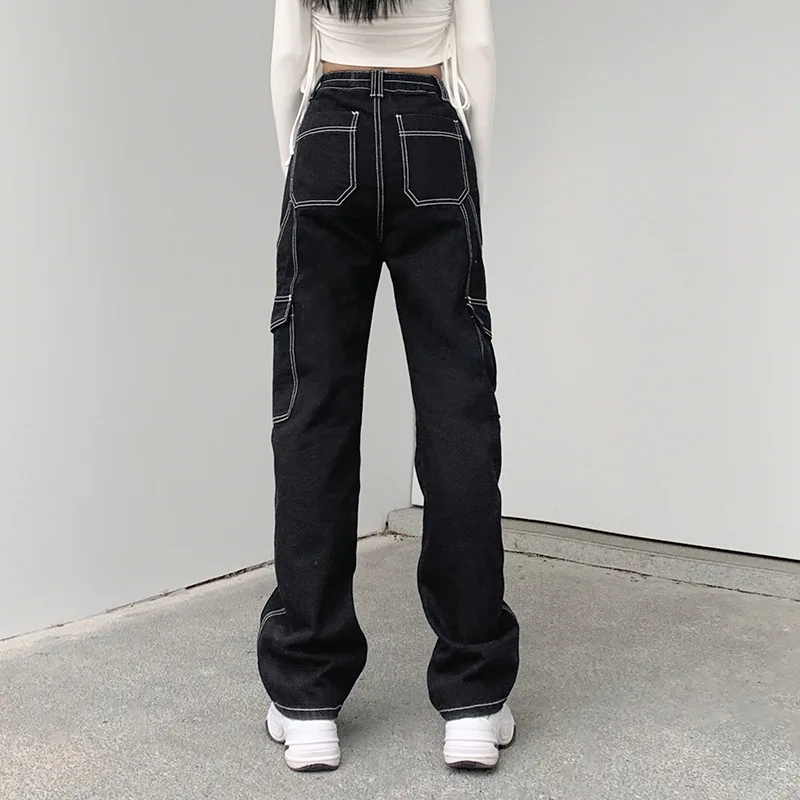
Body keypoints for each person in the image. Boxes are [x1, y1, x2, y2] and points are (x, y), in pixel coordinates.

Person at [257, 0, 519, 772]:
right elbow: (476, 46)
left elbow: (287, 58)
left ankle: (307, 702)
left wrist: (295, 158)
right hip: (432, 132)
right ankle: (474, 702)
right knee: (457, 413)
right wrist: (473, 173)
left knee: (313, 413)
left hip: (326, 132)